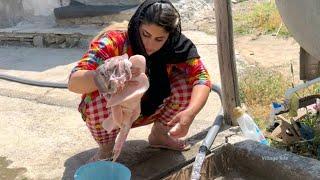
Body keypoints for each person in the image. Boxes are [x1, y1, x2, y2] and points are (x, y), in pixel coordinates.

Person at [68, 0, 212, 162]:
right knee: (94, 100)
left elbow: (201, 76)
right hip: (114, 115)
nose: (150, 45)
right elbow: (74, 81)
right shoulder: (114, 42)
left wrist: (190, 113)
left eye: (159, 39)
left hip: (152, 108)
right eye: (145, 34)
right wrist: (105, 74)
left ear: (170, 36)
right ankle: (107, 148)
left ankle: (160, 134)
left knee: (187, 84)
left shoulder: (176, 46)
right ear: (137, 26)